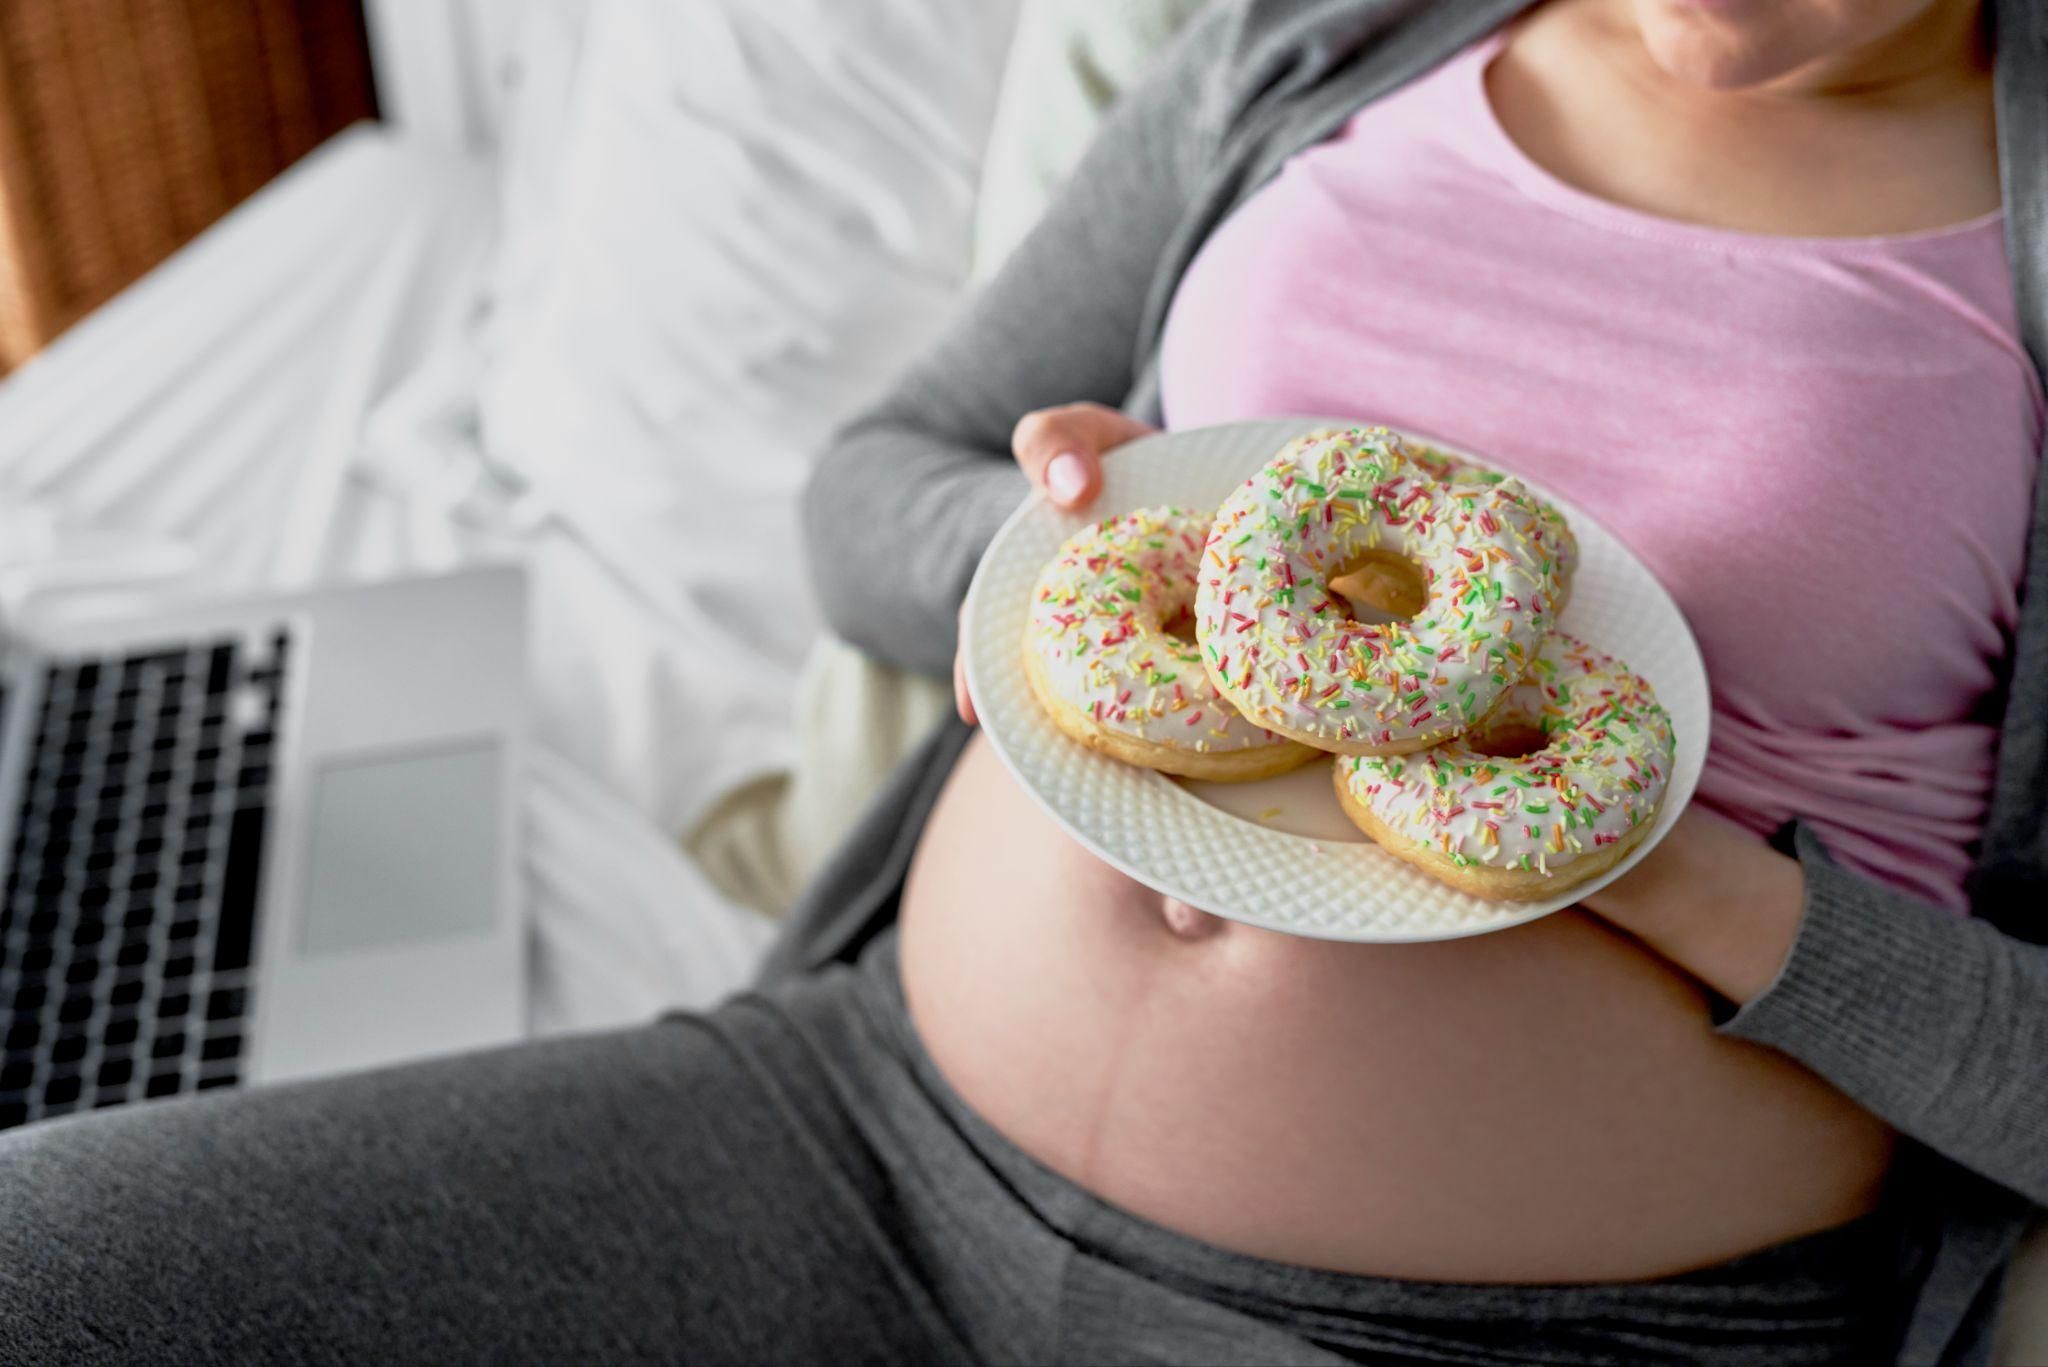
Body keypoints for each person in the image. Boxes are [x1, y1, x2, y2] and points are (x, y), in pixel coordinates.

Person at [3, 0, 2043, 1363]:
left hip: (1514, 1326)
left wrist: (1666, 876)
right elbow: (865, 496)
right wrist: (1057, 543)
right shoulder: (1321, 44)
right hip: (858, 1142)